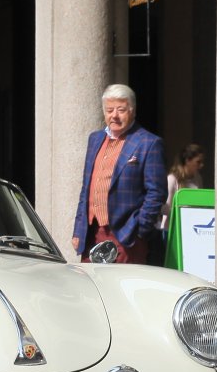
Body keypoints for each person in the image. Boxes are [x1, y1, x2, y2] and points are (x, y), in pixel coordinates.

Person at [71, 84, 166, 264]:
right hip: (92, 233)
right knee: (90, 281)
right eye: (109, 110)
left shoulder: (149, 143)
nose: (114, 115)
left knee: (123, 282)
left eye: (121, 110)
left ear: (132, 111)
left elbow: (157, 192)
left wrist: (140, 230)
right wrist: (78, 230)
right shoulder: (95, 139)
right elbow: (86, 189)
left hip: (127, 236)